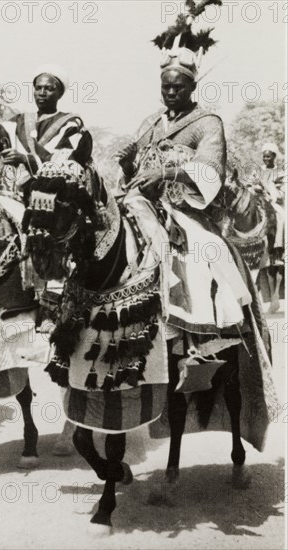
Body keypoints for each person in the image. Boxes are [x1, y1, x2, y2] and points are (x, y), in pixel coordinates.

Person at [115, 8, 268, 362]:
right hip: (142, 207)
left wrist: (167, 174)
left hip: (189, 213)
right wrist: (128, 165)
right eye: (165, 87)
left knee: (204, 255)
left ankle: (207, 337)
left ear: (193, 86)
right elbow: (134, 175)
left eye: (178, 87)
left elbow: (211, 170)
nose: (170, 92)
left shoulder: (207, 122)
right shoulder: (150, 123)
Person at [0, 64, 87, 201]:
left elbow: (68, 163)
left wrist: (26, 159)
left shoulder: (70, 124)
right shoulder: (18, 121)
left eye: (49, 89)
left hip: (49, 199)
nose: (42, 93)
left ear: (59, 93)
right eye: (38, 88)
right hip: (10, 195)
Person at [250, 143, 285, 312]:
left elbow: (280, 194)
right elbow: (250, 186)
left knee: (281, 218)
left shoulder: (281, 172)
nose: (265, 158)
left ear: (274, 157)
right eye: (264, 156)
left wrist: (269, 190)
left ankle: (279, 246)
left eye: (268, 156)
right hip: (259, 203)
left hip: (274, 203)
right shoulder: (258, 171)